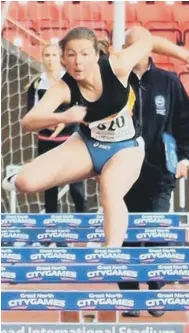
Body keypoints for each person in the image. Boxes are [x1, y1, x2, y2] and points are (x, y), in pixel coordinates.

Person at [2, 26, 189, 247]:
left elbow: (148, 42)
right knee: (25, 182)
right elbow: (29, 121)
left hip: (126, 148)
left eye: (84, 54)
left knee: (110, 191)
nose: (78, 62)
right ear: (63, 59)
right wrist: (63, 115)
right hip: (88, 146)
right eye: (71, 55)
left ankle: (110, 252)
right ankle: (72, 172)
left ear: (97, 55)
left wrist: (184, 55)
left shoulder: (117, 66)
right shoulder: (64, 88)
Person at [118, 28, 189, 318]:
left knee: (157, 229)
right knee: (126, 233)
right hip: (121, 169)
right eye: (129, 45)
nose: (134, 51)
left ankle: (156, 289)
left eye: (140, 45)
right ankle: (131, 294)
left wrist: (185, 157)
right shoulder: (115, 81)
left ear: (149, 48)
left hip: (160, 170)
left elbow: (184, 123)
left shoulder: (169, 82)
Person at [27, 43, 86, 213]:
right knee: (49, 187)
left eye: (53, 55)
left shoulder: (72, 81)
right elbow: (31, 112)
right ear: (42, 58)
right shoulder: (37, 83)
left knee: (77, 188)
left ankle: (84, 231)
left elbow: (80, 108)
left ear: (60, 58)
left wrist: (63, 121)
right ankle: (51, 235)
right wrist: (46, 121)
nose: (50, 59)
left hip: (70, 141)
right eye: (47, 55)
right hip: (46, 141)